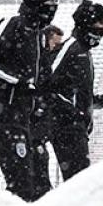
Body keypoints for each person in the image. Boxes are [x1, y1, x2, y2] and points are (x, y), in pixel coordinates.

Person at [0, 0, 57, 202]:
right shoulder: (13, 24)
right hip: (3, 114)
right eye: (49, 5)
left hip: (23, 116)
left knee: (40, 184)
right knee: (22, 183)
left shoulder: (39, 34)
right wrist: (17, 82)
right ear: (35, 3)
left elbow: (42, 78)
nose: (53, 11)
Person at [43, 0, 103, 181]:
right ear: (85, 25)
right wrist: (69, 113)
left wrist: (102, 101)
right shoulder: (71, 48)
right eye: (98, 28)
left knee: (80, 182)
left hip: (77, 128)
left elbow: (77, 94)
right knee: (80, 183)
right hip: (66, 127)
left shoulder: (84, 52)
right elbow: (44, 82)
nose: (100, 35)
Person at [29, 24, 64, 192]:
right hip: (36, 123)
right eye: (55, 44)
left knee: (41, 156)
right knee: (38, 157)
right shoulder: (39, 62)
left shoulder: (45, 62)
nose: (56, 48)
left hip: (42, 124)